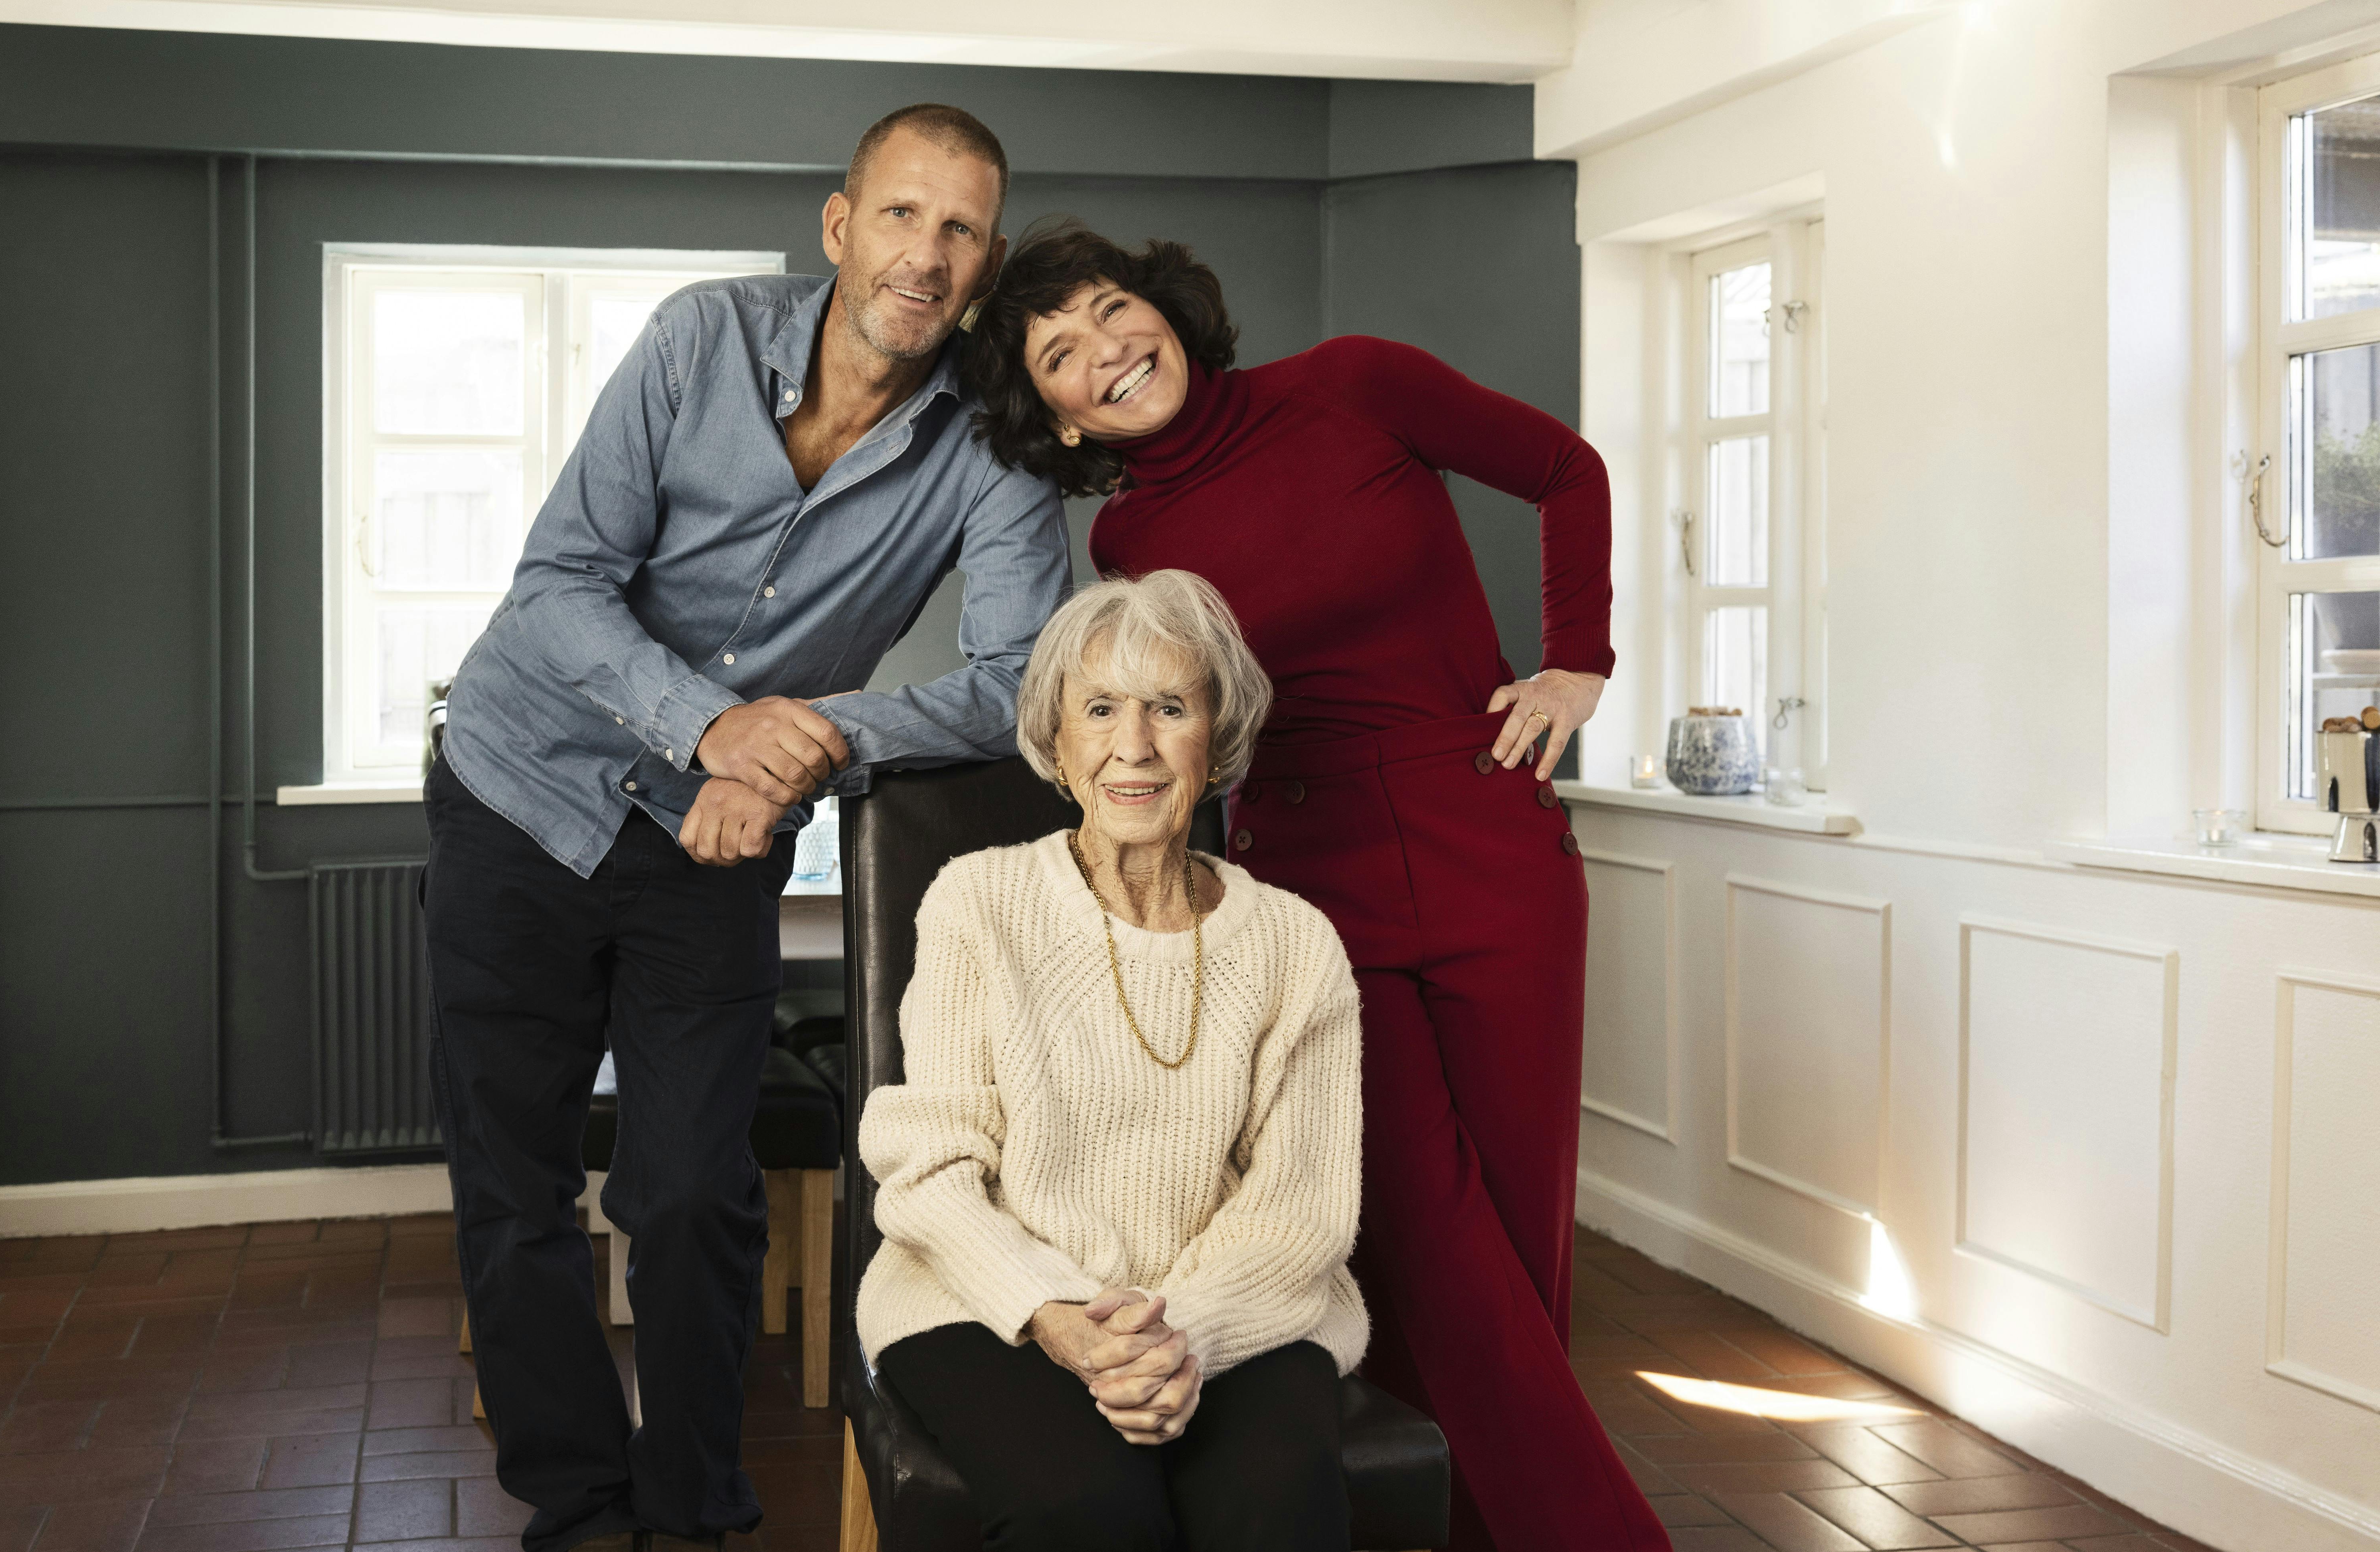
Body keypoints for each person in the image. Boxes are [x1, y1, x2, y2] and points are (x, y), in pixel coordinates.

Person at [961, 223, 1671, 1551]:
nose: (1108, 350)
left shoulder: (1357, 382)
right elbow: (1169, 736)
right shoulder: (1130, 539)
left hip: (1489, 835)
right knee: (1416, 1227)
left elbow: (1565, 471)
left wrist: (1579, 661)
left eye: (1113, 311)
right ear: (1053, 416)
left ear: (1162, 307)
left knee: (1517, 1246)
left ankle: (1455, 1527)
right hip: (1308, 878)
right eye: (1063, 352)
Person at [422, 105, 1069, 1552]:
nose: (927, 254)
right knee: (514, 1185)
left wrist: (805, 747)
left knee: (695, 1197)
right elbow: (559, 583)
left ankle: (696, 1510)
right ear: (840, 228)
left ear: (990, 260)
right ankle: (579, 1506)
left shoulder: (996, 444)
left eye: (961, 229)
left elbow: (1022, 684)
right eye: (902, 216)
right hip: (520, 792)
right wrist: (711, 724)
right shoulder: (698, 339)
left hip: (713, 845)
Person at [858, 570, 1366, 1552]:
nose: (1133, 745)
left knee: (1275, 1505)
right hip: (983, 1294)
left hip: (1233, 1304)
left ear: (1215, 740)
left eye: (1169, 708)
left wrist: (1182, 1340)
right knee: (1086, 1509)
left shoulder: (1297, 944)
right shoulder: (979, 902)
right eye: (1101, 710)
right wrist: (1054, 1313)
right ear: (1058, 739)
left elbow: (1301, 1206)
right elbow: (932, 1171)